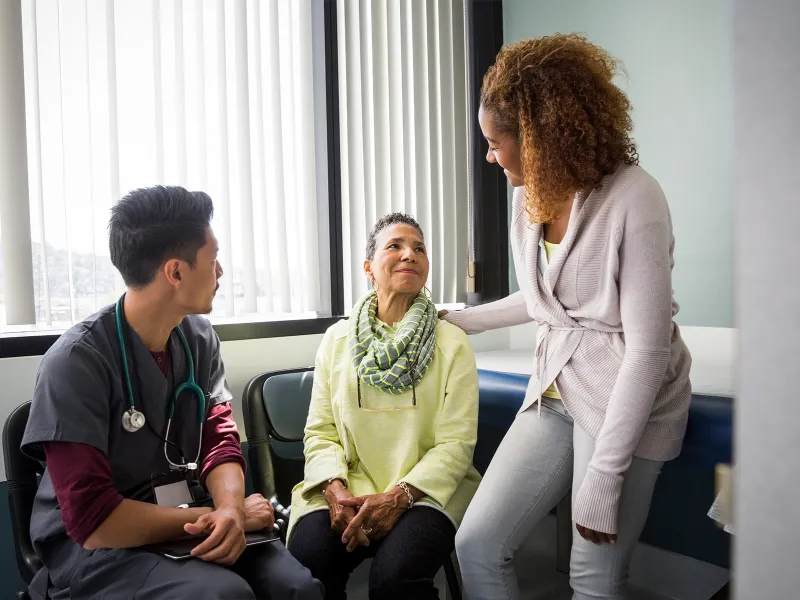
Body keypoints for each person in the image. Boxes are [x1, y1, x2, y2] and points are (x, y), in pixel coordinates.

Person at [442, 35, 692, 600]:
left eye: (494, 142)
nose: (489, 156)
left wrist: (604, 476)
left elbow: (647, 351)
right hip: (556, 389)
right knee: (477, 544)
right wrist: (453, 319)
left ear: (537, 138)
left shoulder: (634, 198)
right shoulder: (529, 197)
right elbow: (544, 305)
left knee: (592, 577)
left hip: (628, 396)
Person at [21, 186, 324, 600]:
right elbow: (94, 520)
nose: (220, 273)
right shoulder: (75, 362)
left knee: (297, 588)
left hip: (192, 516)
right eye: (213, 260)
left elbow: (219, 438)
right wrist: (221, 514)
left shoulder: (197, 337)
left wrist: (231, 510)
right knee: (222, 595)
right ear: (176, 272)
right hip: (104, 543)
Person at [287, 213, 481, 600]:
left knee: (394, 579)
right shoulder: (336, 339)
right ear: (369, 268)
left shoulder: (452, 342)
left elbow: (457, 443)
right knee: (307, 565)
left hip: (424, 491)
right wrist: (335, 489)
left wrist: (400, 495)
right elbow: (321, 431)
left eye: (419, 248)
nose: (410, 254)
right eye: (395, 246)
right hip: (347, 485)